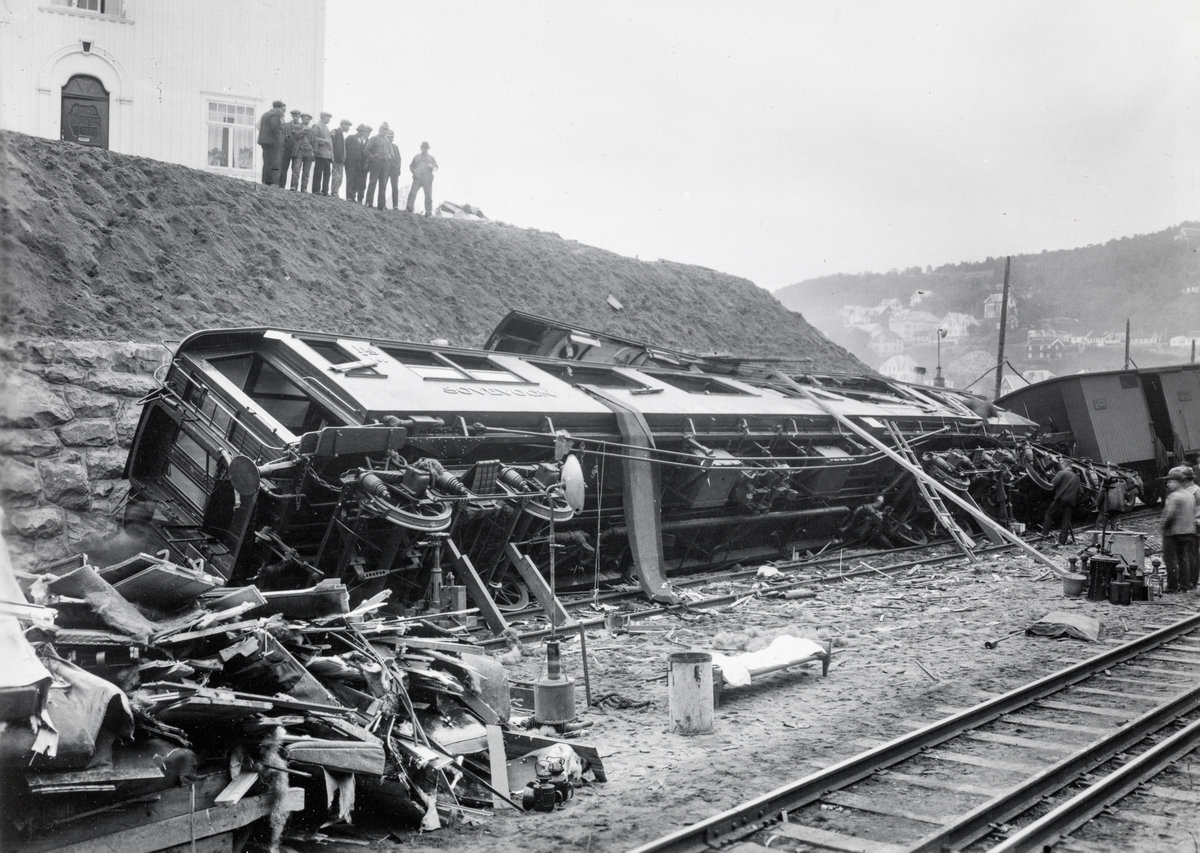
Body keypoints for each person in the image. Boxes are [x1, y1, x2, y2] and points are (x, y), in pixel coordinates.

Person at [1161, 468, 1197, 592]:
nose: (1168, 484)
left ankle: (1172, 586)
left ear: (1178, 482)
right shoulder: (1189, 495)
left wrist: (1164, 528)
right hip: (1189, 531)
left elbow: (1170, 515)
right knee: (1183, 558)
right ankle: (1184, 585)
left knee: (1170, 559)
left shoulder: (1174, 496)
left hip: (1173, 532)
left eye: (1170, 481)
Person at [1040, 460, 1080, 546]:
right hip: (1071, 501)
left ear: (1064, 464)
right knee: (1066, 520)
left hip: (1061, 498)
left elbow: (1052, 484)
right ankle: (1062, 541)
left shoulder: (1062, 473)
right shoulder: (1076, 477)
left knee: (1049, 514)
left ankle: (1044, 534)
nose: (1060, 465)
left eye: (1061, 464)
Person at [364, 122, 393, 210]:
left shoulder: (387, 141)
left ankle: (381, 205)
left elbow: (390, 152)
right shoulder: (374, 138)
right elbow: (366, 150)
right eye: (383, 129)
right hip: (377, 162)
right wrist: (374, 159)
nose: (384, 131)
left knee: (383, 184)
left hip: (385, 163)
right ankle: (369, 202)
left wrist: (388, 159)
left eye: (386, 129)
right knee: (373, 182)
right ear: (380, 129)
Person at [405, 141, 438, 217]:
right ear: (421, 148)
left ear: (427, 149)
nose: (424, 150)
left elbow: (436, 168)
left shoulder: (431, 158)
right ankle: (409, 209)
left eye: (426, 148)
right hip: (417, 178)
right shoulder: (416, 157)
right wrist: (414, 172)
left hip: (427, 180)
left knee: (428, 196)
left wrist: (432, 166)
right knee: (412, 194)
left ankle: (428, 212)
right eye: (423, 148)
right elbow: (411, 166)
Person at [257, 99, 285, 185]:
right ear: (278, 108)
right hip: (271, 142)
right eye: (282, 109)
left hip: (264, 141)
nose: (282, 111)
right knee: (271, 161)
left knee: (266, 161)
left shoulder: (266, 114)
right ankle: (268, 181)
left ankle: (265, 180)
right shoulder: (274, 115)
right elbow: (274, 127)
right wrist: (278, 137)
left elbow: (258, 126)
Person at [1182, 465, 1200, 589]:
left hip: (1192, 525)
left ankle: (1191, 580)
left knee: (1191, 554)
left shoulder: (1194, 491)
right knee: (1191, 553)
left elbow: (1198, 510)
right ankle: (1191, 580)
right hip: (1191, 525)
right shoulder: (1194, 489)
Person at [1095, 463, 1127, 531]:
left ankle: (1097, 541)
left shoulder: (1107, 479)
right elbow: (1125, 493)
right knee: (1115, 525)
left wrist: (1097, 504)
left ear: (1109, 469)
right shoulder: (1122, 480)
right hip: (1119, 505)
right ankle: (1115, 540)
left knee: (1100, 524)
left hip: (1108, 505)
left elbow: (1102, 493)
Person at [345, 124, 370, 202]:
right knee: (350, 179)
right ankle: (349, 197)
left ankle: (353, 196)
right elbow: (345, 149)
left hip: (359, 164)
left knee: (356, 181)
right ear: (358, 131)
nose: (363, 133)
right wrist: (346, 161)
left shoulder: (362, 141)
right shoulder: (350, 138)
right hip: (350, 162)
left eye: (364, 131)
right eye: (362, 131)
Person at [278, 109, 303, 189]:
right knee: (284, 167)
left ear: (299, 117)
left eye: (297, 116)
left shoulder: (302, 127)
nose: (295, 117)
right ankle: (281, 185)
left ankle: (293, 187)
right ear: (292, 116)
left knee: (295, 169)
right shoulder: (286, 125)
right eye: (294, 115)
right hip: (287, 149)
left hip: (297, 150)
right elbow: (283, 136)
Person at [311, 112, 335, 196]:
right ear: (323, 117)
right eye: (328, 117)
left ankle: (325, 191)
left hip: (328, 156)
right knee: (318, 173)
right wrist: (324, 141)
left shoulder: (326, 127)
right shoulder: (317, 126)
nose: (329, 119)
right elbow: (313, 137)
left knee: (327, 174)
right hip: (320, 154)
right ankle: (316, 190)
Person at [290, 113, 315, 191]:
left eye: (309, 120)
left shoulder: (311, 130)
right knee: (296, 169)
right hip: (299, 151)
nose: (307, 121)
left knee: (306, 172)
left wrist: (313, 151)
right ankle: (294, 186)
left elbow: (314, 141)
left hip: (309, 151)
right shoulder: (296, 127)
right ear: (302, 119)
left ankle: (304, 188)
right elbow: (295, 136)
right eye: (306, 119)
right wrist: (304, 130)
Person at [330, 118, 351, 199]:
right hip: (336, 158)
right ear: (343, 125)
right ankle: (334, 192)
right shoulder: (335, 131)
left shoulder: (341, 134)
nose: (348, 128)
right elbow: (330, 143)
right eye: (347, 126)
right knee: (336, 176)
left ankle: (335, 192)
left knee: (339, 177)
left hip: (340, 159)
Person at [386, 129, 402, 209]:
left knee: (395, 187)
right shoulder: (384, 145)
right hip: (386, 168)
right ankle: (382, 203)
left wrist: (399, 168)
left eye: (391, 137)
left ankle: (395, 205)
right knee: (383, 186)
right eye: (389, 137)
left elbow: (399, 159)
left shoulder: (395, 147)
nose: (390, 138)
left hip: (394, 169)